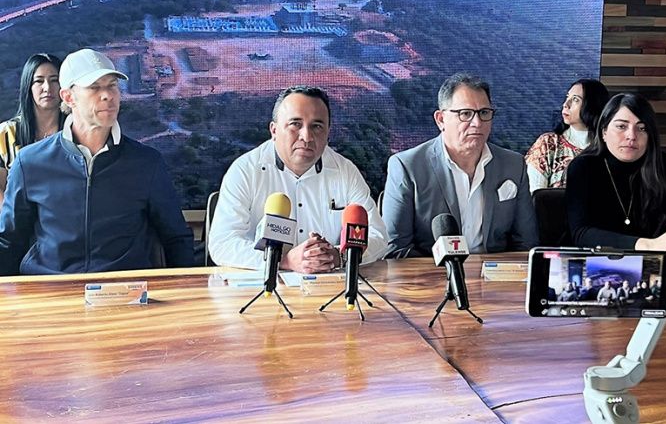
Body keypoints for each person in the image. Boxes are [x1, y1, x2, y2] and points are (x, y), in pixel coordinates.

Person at [0, 48, 193, 274]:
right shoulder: (29, 163)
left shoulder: (146, 163)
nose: (107, 95)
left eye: (112, 85)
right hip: (50, 286)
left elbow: (176, 238)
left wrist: (185, 288)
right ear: (68, 97)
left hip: (125, 287)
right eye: (94, 87)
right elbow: (8, 241)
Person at [208, 85, 388, 272]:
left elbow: (379, 237)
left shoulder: (345, 171)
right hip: (262, 283)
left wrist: (338, 255)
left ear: (328, 133)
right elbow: (223, 244)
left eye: (317, 126)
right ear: (274, 130)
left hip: (329, 282)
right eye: (295, 124)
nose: (307, 137)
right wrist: (283, 260)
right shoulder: (245, 170)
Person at [382, 73, 538, 257]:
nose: (477, 123)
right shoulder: (407, 167)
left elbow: (526, 245)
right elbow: (396, 250)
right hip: (432, 272)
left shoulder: (513, 165)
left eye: (484, 113)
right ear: (441, 119)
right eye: (465, 114)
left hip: (495, 272)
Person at [566, 93, 666, 261]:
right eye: (621, 126)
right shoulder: (583, 166)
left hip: (657, 265)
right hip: (596, 264)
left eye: (642, 128)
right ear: (604, 131)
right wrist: (649, 245)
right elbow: (581, 234)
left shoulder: (661, 164)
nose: (632, 136)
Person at [0, 53, 65, 205]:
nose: (47, 88)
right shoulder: (6, 134)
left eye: (54, 80)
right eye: (39, 81)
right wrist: (12, 216)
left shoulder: (76, 131)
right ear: (28, 86)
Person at [525, 78, 609, 192]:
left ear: (592, 105)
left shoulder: (609, 147)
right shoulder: (549, 144)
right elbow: (535, 195)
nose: (565, 105)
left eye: (575, 100)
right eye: (567, 97)